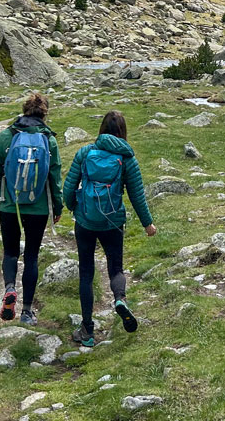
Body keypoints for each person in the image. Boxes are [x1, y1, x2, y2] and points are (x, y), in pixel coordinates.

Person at [62, 110, 156, 347]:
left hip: (85, 221)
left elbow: (68, 188)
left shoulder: (85, 153)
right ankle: (120, 299)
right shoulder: (127, 159)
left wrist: (76, 207)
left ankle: (87, 330)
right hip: (113, 222)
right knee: (115, 268)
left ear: (101, 129)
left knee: (86, 273)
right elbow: (137, 196)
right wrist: (148, 224)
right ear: (122, 132)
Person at [0, 92, 62, 326]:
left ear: (24, 110)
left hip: (9, 203)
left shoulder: (7, 136)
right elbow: (55, 176)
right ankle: (27, 311)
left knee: (10, 252)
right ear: (44, 112)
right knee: (32, 256)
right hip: (38, 208)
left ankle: (9, 289)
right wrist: (57, 206)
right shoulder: (49, 139)